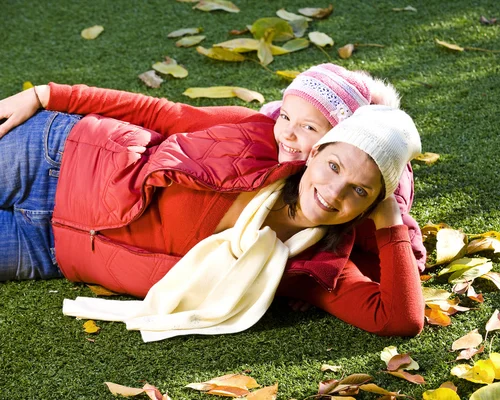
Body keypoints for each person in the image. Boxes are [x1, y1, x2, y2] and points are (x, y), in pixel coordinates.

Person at [0, 74, 425, 338]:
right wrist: (45, 94)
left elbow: (398, 320)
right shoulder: (256, 133)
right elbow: (161, 112)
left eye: (360, 192)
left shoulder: (313, 267)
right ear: (314, 153)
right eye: (333, 165)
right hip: (58, 156)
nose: (334, 193)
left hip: (50, 250)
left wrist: (391, 221)